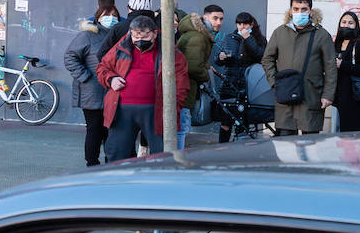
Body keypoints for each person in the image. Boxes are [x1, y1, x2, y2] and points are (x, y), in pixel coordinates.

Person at [96, 14, 188, 161]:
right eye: (136, 36)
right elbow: (102, 68)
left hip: (157, 111)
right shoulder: (122, 46)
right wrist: (111, 79)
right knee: (116, 154)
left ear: (154, 33)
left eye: (144, 36)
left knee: (162, 155)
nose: (139, 40)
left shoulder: (169, 50)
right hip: (121, 110)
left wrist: (174, 107)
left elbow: (181, 81)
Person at [261, 0, 336, 136]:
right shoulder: (280, 32)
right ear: (290, 11)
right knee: (286, 143)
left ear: (311, 11)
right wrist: (274, 82)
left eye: (304, 9)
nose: (299, 12)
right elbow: (267, 59)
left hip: (311, 95)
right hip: (285, 95)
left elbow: (330, 67)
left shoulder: (321, 35)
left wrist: (328, 94)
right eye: (296, 9)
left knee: (310, 144)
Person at [63, 0, 121, 166]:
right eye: (106, 15)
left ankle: (111, 161)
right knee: (95, 129)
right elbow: (70, 57)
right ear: (98, 17)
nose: (111, 19)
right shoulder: (87, 36)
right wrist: (85, 77)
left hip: (113, 91)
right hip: (92, 92)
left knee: (112, 130)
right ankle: (92, 163)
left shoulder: (119, 35)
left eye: (113, 15)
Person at [211, 11, 266, 143]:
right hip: (230, 84)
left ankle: (242, 150)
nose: (242, 27)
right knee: (226, 120)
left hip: (248, 86)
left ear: (251, 24)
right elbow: (217, 59)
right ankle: (222, 149)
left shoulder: (259, 39)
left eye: (245, 24)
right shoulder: (230, 37)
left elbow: (261, 56)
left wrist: (248, 39)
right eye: (239, 23)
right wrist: (220, 57)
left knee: (244, 120)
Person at [175, 11, 215, 149]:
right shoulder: (198, 38)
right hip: (186, 88)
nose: (218, 23)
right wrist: (206, 75)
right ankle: (177, 159)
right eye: (215, 19)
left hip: (184, 87)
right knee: (182, 128)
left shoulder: (189, 35)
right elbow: (193, 67)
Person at [333, 10, 360, 133]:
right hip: (340, 94)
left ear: (356, 26)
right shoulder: (337, 43)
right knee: (341, 131)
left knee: (355, 133)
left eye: (350, 23)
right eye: (344, 22)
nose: (346, 25)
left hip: (355, 95)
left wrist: (343, 65)